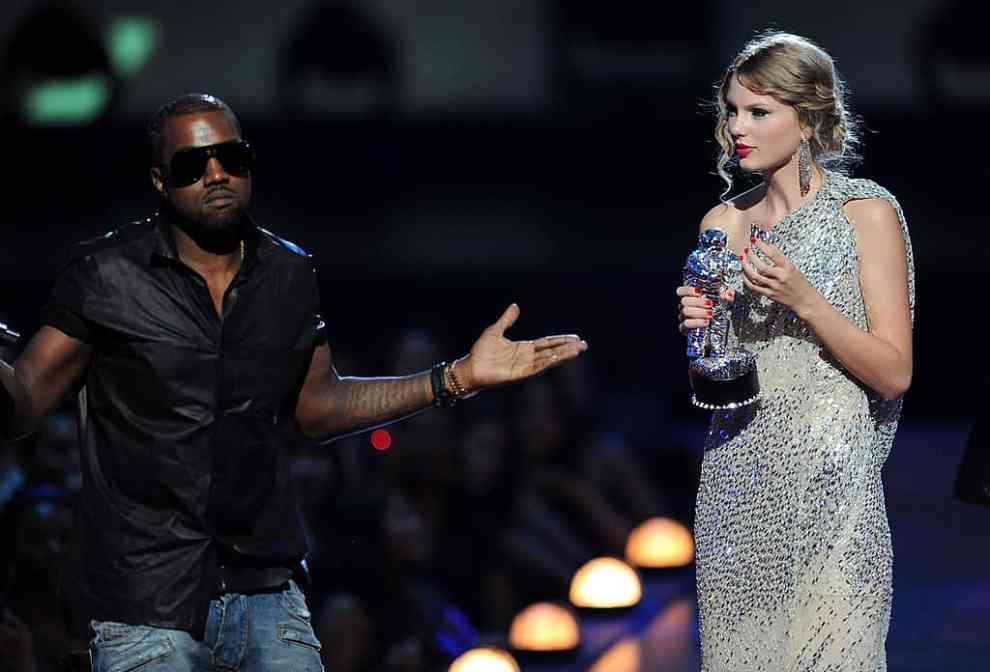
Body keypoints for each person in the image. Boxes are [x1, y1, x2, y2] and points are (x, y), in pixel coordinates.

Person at [0, 92, 588, 672]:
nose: (216, 174)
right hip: (146, 602)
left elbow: (318, 406)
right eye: (191, 165)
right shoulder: (105, 276)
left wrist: (456, 377)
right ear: (159, 181)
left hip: (267, 589)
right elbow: (24, 404)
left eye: (233, 158)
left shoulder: (287, 272)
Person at [676, 32, 914, 671]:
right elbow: (715, 381)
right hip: (739, 478)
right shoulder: (721, 224)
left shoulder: (865, 213)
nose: (737, 129)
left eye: (759, 112)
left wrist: (805, 299)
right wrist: (702, 334)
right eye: (731, 110)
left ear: (808, 120)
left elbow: (893, 374)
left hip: (834, 481)